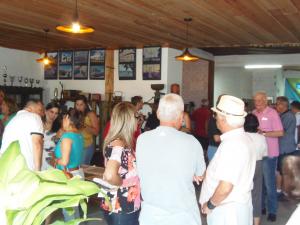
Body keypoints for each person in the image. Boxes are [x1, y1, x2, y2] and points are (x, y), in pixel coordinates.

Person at [136, 94, 206, 225]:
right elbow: (200, 174)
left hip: (151, 215)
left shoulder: (142, 139)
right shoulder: (191, 142)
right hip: (182, 215)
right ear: (181, 117)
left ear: (157, 113)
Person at [200, 95, 256, 225]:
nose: (215, 120)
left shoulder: (232, 145)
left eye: (216, 116)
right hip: (235, 207)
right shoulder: (242, 138)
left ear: (224, 119)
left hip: (227, 211)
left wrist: (210, 205)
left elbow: (226, 187)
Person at [99, 102, 140, 225]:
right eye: (136, 117)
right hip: (123, 205)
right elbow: (110, 175)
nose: (138, 120)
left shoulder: (118, 142)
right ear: (129, 120)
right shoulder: (119, 145)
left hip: (118, 203)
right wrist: (123, 183)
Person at [253, 91, 284, 222]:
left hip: (270, 154)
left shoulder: (272, 113)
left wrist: (264, 133)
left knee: (270, 184)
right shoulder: (253, 113)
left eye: (259, 100)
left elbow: (280, 132)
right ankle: (261, 207)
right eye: (255, 100)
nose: (257, 103)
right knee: (259, 184)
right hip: (257, 154)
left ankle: (272, 210)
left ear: (266, 101)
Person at [53, 109, 84, 221]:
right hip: (77, 173)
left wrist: (55, 160)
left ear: (67, 119)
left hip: (68, 176)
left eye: (63, 119)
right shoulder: (79, 135)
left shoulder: (67, 138)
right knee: (74, 210)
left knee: (69, 212)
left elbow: (65, 161)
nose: (62, 122)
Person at [0, 99, 44, 171]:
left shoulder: (13, 120)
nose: (41, 114)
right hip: (23, 170)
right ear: (30, 108)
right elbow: (37, 143)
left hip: (6, 167)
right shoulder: (34, 117)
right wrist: (38, 171)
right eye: (40, 110)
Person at [244, 114, 268, 225]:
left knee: (243, 193)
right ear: (257, 125)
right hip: (258, 164)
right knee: (257, 195)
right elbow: (265, 154)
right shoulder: (262, 137)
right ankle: (256, 222)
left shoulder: (241, 136)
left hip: (244, 165)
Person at [275, 96, 296, 199]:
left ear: (283, 105)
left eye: (278, 104)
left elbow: (280, 132)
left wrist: (266, 132)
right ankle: (282, 191)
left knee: (282, 171)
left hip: (285, 148)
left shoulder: (287, 116)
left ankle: (281, 192)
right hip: (284, 147)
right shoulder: (284, 115)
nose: (276, 106)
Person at [75, 95, 99, 165]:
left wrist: (84, 126)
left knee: (83, 168)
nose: (79, 107)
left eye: (81, 104)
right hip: (76, 145)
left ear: (85, 105)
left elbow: (96, 132)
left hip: (86, 146)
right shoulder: (74, 114)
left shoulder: (91, 114)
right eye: (77, 104)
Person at [41, 102, 61, 170]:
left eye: (56, 113)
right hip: (39, 156)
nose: (53, 115)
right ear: (46, 111)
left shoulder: (59, 127)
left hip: (53, 159)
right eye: (51, 112)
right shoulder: (38, 124)